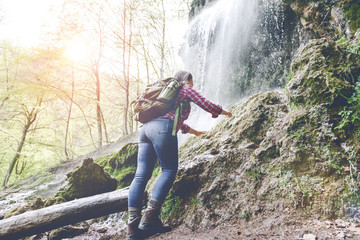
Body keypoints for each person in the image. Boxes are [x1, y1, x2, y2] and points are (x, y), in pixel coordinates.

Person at [126, 70, 232, 240]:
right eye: (192, 81)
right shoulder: (183, 89)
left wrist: (195, 132)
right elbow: (205, 103)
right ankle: (149, 219)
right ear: (186, 79)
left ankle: (132, 227)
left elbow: (174, 119)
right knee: (168, 170)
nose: (193, 84)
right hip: (161, 129)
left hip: (145, 131)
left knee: (140, 175)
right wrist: (224, 112)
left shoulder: (164, 95)